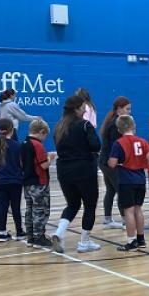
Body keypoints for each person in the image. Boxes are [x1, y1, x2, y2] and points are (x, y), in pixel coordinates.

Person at [50, 95, 102, 254]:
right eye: (83, 107)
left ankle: (59, 233)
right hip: (84, 169)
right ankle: (84, 242)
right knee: (90, 204)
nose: (86, 109)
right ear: (77, 109)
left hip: (63, 170)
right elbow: (96, 146)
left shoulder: (59, 126)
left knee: (72, 204)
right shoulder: (85, 125)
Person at [109, 115, 149, 252]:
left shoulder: (119, 143)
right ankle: (141, 240)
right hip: (140, 180)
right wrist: (139, 162)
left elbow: (112, 164)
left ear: (119, 129)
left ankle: (131, 241)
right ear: (133, 126)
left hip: (126, 180)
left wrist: (119, 162)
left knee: (128, 211)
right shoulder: (142, 141)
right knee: (138, 209)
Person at [0, 118, 25, 242]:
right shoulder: (18, 146)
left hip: (0, 182)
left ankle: (2, 233)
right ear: (12, 130)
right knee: (16, 207)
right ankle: (19, 232)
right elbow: (22, 164)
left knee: (2, 207)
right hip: (15, 181)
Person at [21, 119, 55, 248]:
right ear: (41, 132)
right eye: (45, 135)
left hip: (27, 182)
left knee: (30, 210)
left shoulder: (24, 143)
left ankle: (30, 236)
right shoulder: (37, 145)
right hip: (39, 182)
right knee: (40, 210)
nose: (45, 138)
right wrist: (50, 158)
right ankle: (39, 236)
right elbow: (44, 165)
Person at [99, 96, 131, 230]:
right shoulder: (115, 125)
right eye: (127, 109)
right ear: (119, 109)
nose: (129, 112)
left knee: (111, 190)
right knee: (121, 190)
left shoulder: (113, 121)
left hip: (105, 161)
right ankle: (126, 221)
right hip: (109, 162)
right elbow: (115, 147)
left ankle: (107, 220)